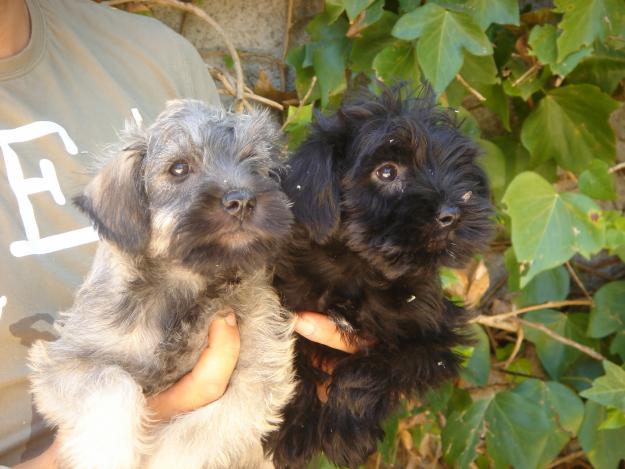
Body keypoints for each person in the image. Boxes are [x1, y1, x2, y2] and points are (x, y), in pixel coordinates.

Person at [0, 1, 357, 467]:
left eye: (254, 167)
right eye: (180, 169)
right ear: (128, 206)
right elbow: (69, 371)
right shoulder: (109, 305)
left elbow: (268, 390)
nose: (239, 193)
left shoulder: (157, 53)